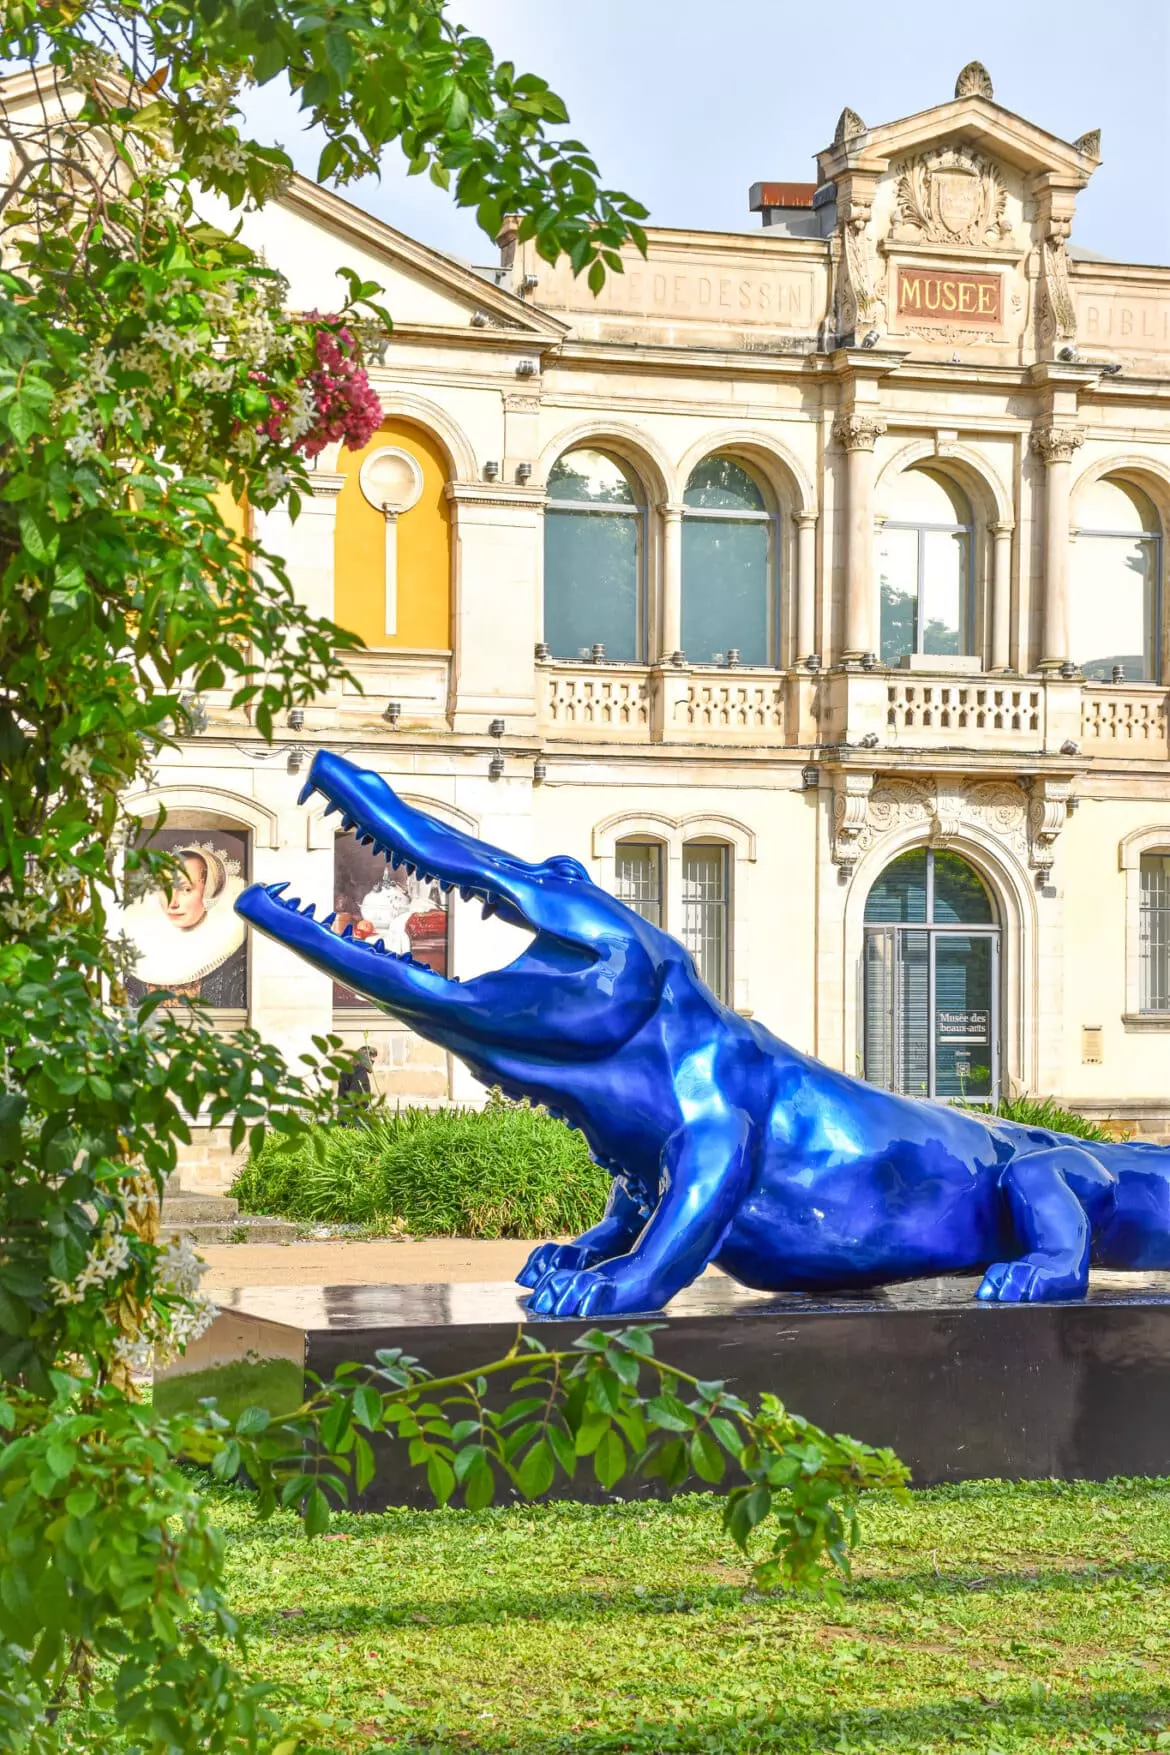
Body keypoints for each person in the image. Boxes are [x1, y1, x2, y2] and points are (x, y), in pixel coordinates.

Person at [123, 841, 247, 1006]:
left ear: (210, 890)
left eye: (186, 889)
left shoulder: (235, 957)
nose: (172, 903)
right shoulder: (140, 943)